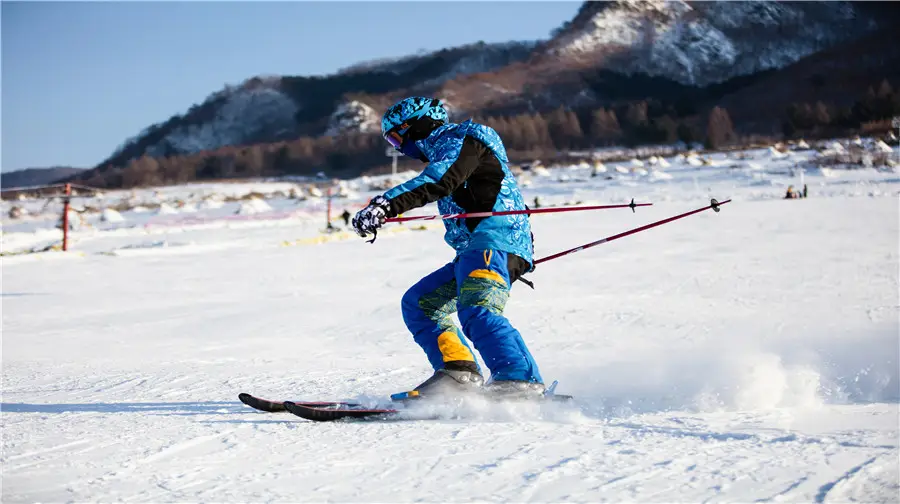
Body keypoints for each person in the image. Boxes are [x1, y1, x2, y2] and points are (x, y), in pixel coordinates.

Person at [352, 97, 543, 399]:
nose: (399, 147)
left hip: (496, 241)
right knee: (420, 303)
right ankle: (459, 373)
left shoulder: (464, 140)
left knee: (477, 308)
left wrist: (386, 204)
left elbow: (440, 180)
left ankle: (519, 380)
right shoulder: (446, 149)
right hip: (473, 249)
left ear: (415, 125)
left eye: (396, 137)